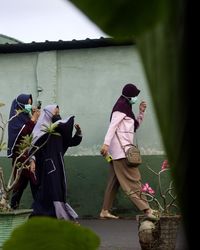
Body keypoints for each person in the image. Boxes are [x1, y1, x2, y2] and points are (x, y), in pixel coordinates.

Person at [100, 83, 156, 219]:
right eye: (135, 95)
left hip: (121, 151)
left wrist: (141, 112)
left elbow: (134, 126)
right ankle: (147, 210)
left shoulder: (127, 108)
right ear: (129, 95)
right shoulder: (120, 107)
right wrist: (106, 144)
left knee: (114, 182)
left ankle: (105, 211)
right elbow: (112, 126)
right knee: (133, 180)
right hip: (121, 152)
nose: (136, 98)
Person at [29, 104, 82, 222]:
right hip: (46, 166)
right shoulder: (42, 131)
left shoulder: (59, 130)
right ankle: (46, 215)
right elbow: (33, 148)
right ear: (48, 114)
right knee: (49, 190)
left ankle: (53, 215)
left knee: (58, 189)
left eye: (58, 113)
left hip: (58, 165)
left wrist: (78, 133)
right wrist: (32, 161)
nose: (57, 115)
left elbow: (70, 142)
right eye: (55, 113)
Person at [7, 93, 40, 209]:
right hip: (20, 157)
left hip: (29, 155)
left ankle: (39, 209)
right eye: (27, 104)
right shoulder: (15, 119)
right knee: (24, 183)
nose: (29, 107)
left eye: (30, 104)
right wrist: (32, 120)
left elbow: (32, 134)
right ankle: (14, 207)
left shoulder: (26, 117)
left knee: (24, 183)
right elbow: (21, 135)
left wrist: (35, 119)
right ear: (20, 105)